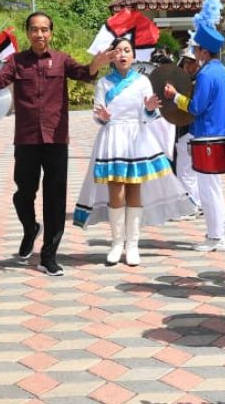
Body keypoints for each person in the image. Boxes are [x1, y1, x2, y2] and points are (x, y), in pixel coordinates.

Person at [0, 10, 111, 275]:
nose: (39, 34)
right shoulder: (16, 61)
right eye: (34, 29)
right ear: (28, 33)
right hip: (27, 139)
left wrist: (95, 64)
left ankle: (49, 254)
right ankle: (30, 228)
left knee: (55, 198)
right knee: (23, 194)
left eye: (44, 29)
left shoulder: (62, 60)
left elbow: (84, 73)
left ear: (51, 33)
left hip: (56, 139)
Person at [74, 37, 193, 266]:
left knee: (134, 190)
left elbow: (151, 115)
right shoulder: (104, 83)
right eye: (118, 51)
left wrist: (149, 110)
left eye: (127, 50)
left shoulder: (143, 82)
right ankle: (116, 243)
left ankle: (133, 245)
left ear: (134, 55)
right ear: (112, 56)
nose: (122, 55)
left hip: (137, 137)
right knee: (115, 191)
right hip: (113, 137)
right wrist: (103, 117)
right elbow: (97, 113)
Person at [163, 0, 225, 252]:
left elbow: (195, 108)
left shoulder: (204, 75)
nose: (194, 54)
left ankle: (216, 237)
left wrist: (175, 96)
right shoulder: (224, 71)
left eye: (196, 50)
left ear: (204, 51)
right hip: (221, 136)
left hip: (205, 137)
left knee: (208, 190)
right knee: (214, 188)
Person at [171, 46, 201, 216]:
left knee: (185, 171)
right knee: (191, 172)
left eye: (188, 63)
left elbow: (191, 107)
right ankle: (196, 203)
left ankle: (191, 206)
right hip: (187, 129)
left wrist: (175, 96)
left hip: (189, 130)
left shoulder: (194, 83)